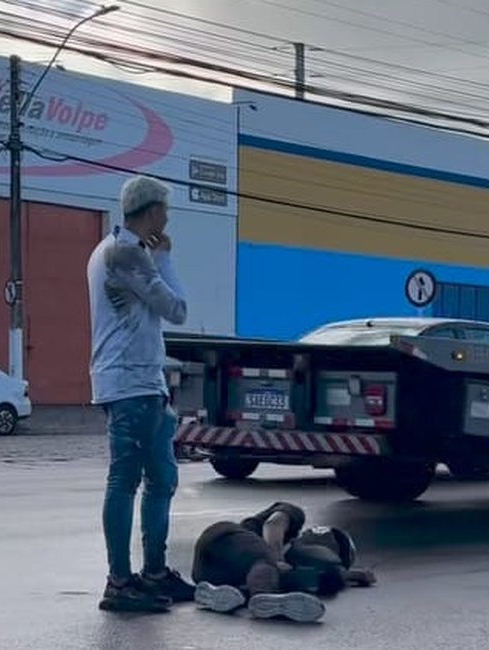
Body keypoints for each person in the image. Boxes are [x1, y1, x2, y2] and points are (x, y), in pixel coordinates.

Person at [87, 175, 193, 613]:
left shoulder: (110, 249)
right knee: (126, 481)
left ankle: (153, 573)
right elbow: (178, 310)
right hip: (128, 383)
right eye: (164, 211)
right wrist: (165, 257)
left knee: (162, 479)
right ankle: (119, 582)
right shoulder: (128, 254)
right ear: (151, 212)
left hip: (144, 382)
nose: (167, 219)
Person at [191, 501, 376, 622]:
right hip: (223, 539)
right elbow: (273, 523)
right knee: (267, 566)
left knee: (290, 579)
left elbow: (335, 575)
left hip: (211, 573)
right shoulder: (295, 517)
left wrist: (353, 575)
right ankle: (262, 597)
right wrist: (276, 559)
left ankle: (217, 595)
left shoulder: (304, 564)